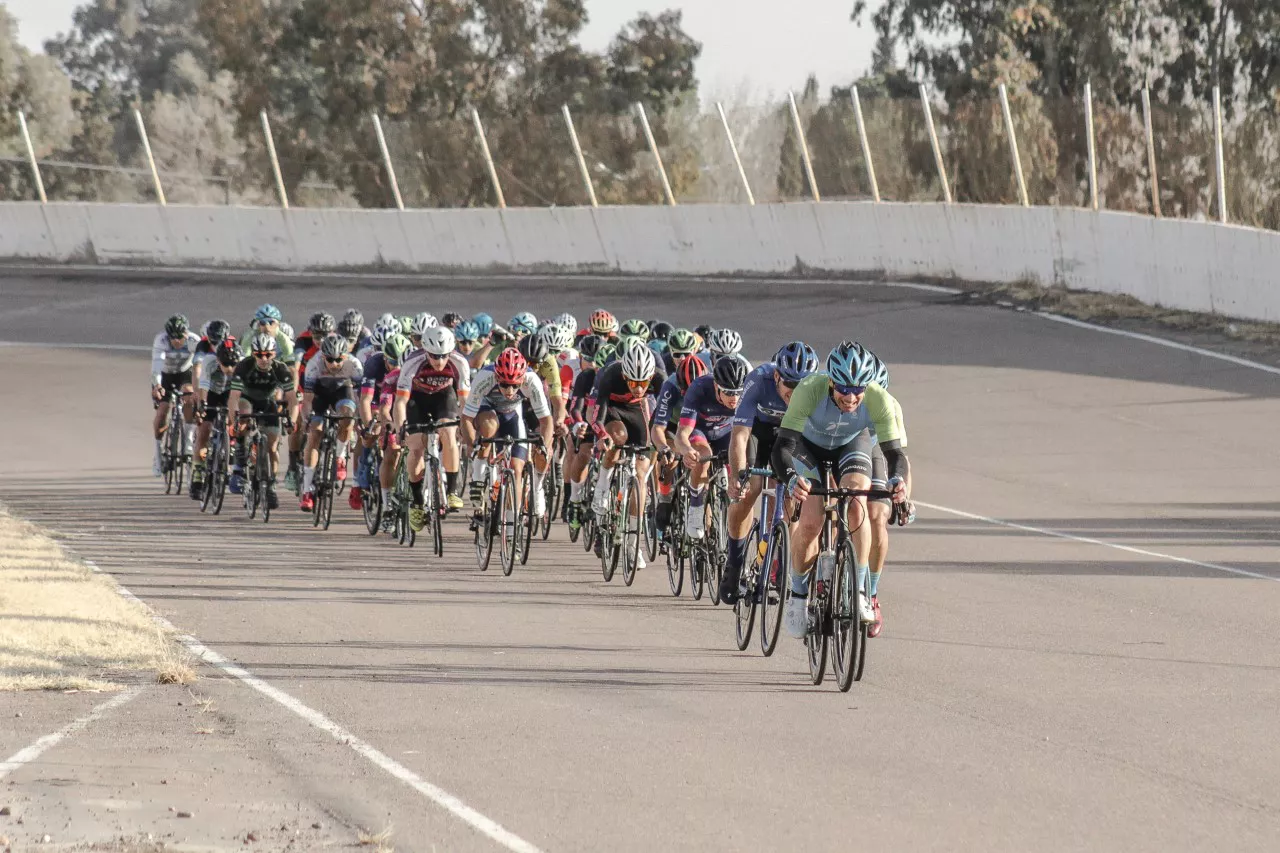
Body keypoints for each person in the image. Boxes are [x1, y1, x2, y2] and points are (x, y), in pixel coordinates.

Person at [771, 341, 910, 639]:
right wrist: (793, 478)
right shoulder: (809, 389)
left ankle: (860, 591)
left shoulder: (879, 399)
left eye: (858, 389)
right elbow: (782, 447)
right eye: (843, 389)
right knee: (810, 522)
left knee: (857, 500)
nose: (850, 397)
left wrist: (898, 482)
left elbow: (895, 455)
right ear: (831, 381)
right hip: (808, 448)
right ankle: (797, 597)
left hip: (851, 444)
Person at [718, 341, 818, 603]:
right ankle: (735, 564)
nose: (795, 393)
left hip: (790, 440)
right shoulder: (758, 381)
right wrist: (737, 474)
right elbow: (740, 436)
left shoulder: (815, 393)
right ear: (776, 376)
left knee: (791, 502)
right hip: (759, 435)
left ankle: (779, 565)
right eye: (790, 385)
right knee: (748, 490)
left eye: (802, 386)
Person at [588, 343, 665, 570]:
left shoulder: (660, 379)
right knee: (617, 438)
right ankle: (602, 485)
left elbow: (663, 419)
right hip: (612, 410)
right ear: (624, 375)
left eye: (643, 384)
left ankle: (633, 545)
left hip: (636, 411)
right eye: (632, 383)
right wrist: (603, 436)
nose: (638, 388)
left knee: (642, 472)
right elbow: (597, 418)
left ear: (651, 376)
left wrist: (665, 444)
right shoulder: (611, 374)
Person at [393, 326, 468, 530]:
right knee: (415, 447)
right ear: (425, 351)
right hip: (417, 399)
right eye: (434, 356)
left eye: (444, 356)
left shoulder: (459, 362)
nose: (439, 361)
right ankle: (417, 502)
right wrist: (401, 428)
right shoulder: (413, 363)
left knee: (449, 432)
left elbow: (464, 400)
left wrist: (465, 425)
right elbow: (400, 402)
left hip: (444, 397)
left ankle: (451, 491)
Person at [670, 355, 749, 542]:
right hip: (700, 430)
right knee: (703, 455)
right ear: (716, 387)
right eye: (728, 393)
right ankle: (696, 506)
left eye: (738, 392)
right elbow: (682, 434)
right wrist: (687, 450)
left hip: (727, 432)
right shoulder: (699, 388)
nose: (734, 399)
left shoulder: (747, 396)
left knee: (741, 473)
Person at [226, 333, 299, 509]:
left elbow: (292, 399)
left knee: (273, 447)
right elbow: (233, 397)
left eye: (268, 355)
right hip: (247, 399)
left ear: (274, 354)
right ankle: (241, 454)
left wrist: (292, 421)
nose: (263, 359)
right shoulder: (244, 366)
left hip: (268, 402)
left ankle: (271, 485)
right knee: (244, 414)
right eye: (259, 355)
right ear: (253, 354)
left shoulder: (281, 369)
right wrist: (234, 420)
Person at [298, 334, 362, 512]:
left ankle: (340, 457)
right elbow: (308, 399)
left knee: (347, 417)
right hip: (320, 395)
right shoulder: (314, 364)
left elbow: (360, 397)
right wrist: (307, 417)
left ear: (345, 356)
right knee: (315, 433)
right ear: (322, 356)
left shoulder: (354, 365)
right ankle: (307, 490)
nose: (334, 364)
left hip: (343, 392)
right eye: (330, 360)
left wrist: (359, 421)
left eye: (338, 360)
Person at [150, 314, 201, 477]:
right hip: (164, 376)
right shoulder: (161, 340)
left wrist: (197, 390)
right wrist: (157, 385)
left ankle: (188, 439)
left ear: (186, 333)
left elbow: (199, 366)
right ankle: (158, 453)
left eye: (180, 337)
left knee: (189, 399)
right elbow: (157, 365)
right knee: (163, 410)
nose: (177, 341)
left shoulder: (194, 340)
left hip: (184, 374)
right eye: (173, 337)